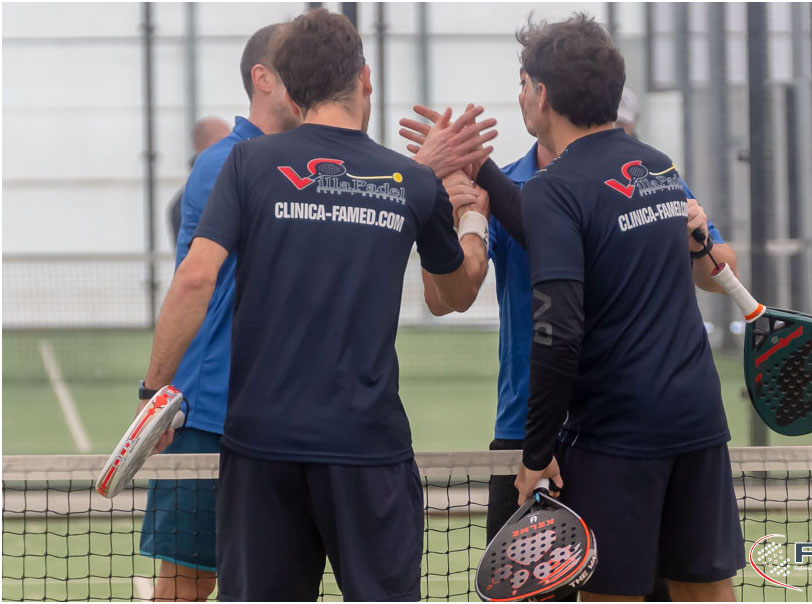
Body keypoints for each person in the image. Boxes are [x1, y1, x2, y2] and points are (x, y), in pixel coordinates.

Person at [138, 9, 494, 601]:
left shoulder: (247, 164)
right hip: (367, 452)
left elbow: (195, 278)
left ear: (291, 91)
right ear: (366, 79)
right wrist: (473, 219)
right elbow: (453, 295)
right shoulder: (410, 182)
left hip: (260, 449)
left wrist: (154, 393)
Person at [401, 101, 737, 553]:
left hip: (619, 427)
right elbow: (449, 299)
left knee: (635, 582)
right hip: (525, 431)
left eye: (619, 126)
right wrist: (456, 218)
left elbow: (722, 270)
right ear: (547, 99)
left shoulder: (652, 181)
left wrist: (698, 242)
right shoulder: (508, 186)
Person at [137, 22, 302, 601]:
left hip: (277, 419)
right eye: (298, 66)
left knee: (265, 582)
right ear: (263, 79)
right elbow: (194, 282)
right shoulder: (224, 163)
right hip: (208, 418)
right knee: (187, 585)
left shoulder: (299, 163)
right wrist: (154, 396)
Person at [166, 117, 232, 248]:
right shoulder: (186, 206)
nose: (229, 148)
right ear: (200, 147)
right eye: (221, 142)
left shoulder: (232, 187)